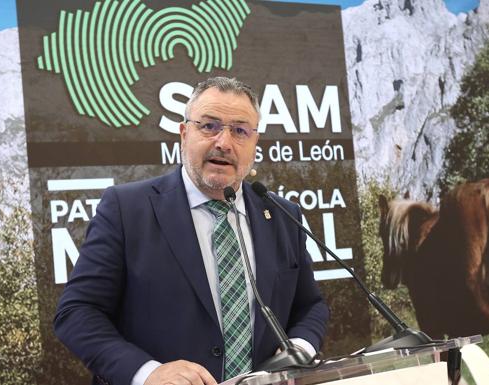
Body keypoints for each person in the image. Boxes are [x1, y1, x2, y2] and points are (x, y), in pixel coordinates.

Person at [54, 77, 329, 385]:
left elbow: (310, 306)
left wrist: (299, 349)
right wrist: (147, 373)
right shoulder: (126, 209)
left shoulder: (281, 214)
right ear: (184, 134)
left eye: (239, 131)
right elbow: (77, 312)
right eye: (209, 126)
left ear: (254, 143)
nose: (223, 143)